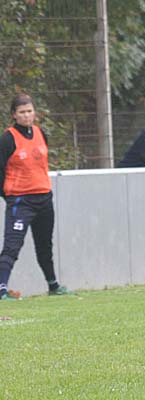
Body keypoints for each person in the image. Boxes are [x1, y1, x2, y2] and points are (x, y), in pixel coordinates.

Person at [0, 94, 74, 300]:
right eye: (22, 112)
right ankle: (2, 288)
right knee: (12, 246)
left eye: (29, 111)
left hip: (43, 198)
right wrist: (9, 196)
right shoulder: (8, 139)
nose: (26, 115)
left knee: (44, 245)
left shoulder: (41, 133)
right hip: (21, 200)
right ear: (14, 115)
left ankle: (53, 285)